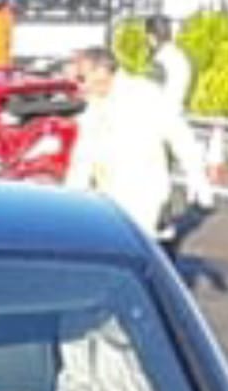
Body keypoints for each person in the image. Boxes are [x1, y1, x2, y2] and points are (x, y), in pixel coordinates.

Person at [64, 48, 213, 246]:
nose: (79, 85)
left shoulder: (144, 95)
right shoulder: (93, 108)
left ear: (101, 72)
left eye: (82, 77)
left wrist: (197, 178)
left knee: (142, 259)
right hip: (109, 202)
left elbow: (180, 136)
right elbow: (82, 161)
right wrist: (70, 203)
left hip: (145, 200)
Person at [148, 15, 193, 114]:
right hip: (179, 113)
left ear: (151, 37)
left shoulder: (160, 59)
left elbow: (152, 94)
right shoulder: (182, 56)